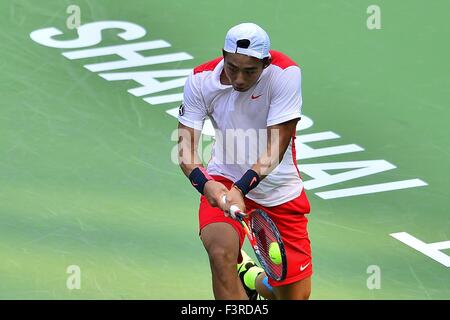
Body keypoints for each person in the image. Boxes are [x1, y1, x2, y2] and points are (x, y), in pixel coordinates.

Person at [177, 22, 312, 300]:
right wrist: (208, 186)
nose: (239, 79)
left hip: (277, 189)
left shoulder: (284, 74)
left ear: (265, 63)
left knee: (293, 297)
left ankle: (253, 279)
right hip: (224, 179)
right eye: (232, 68)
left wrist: (242, 188)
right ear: (223, 56)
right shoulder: (200, 80)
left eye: (249, 71)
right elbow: (186, 151)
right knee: (220, 252)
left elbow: (277, 146)